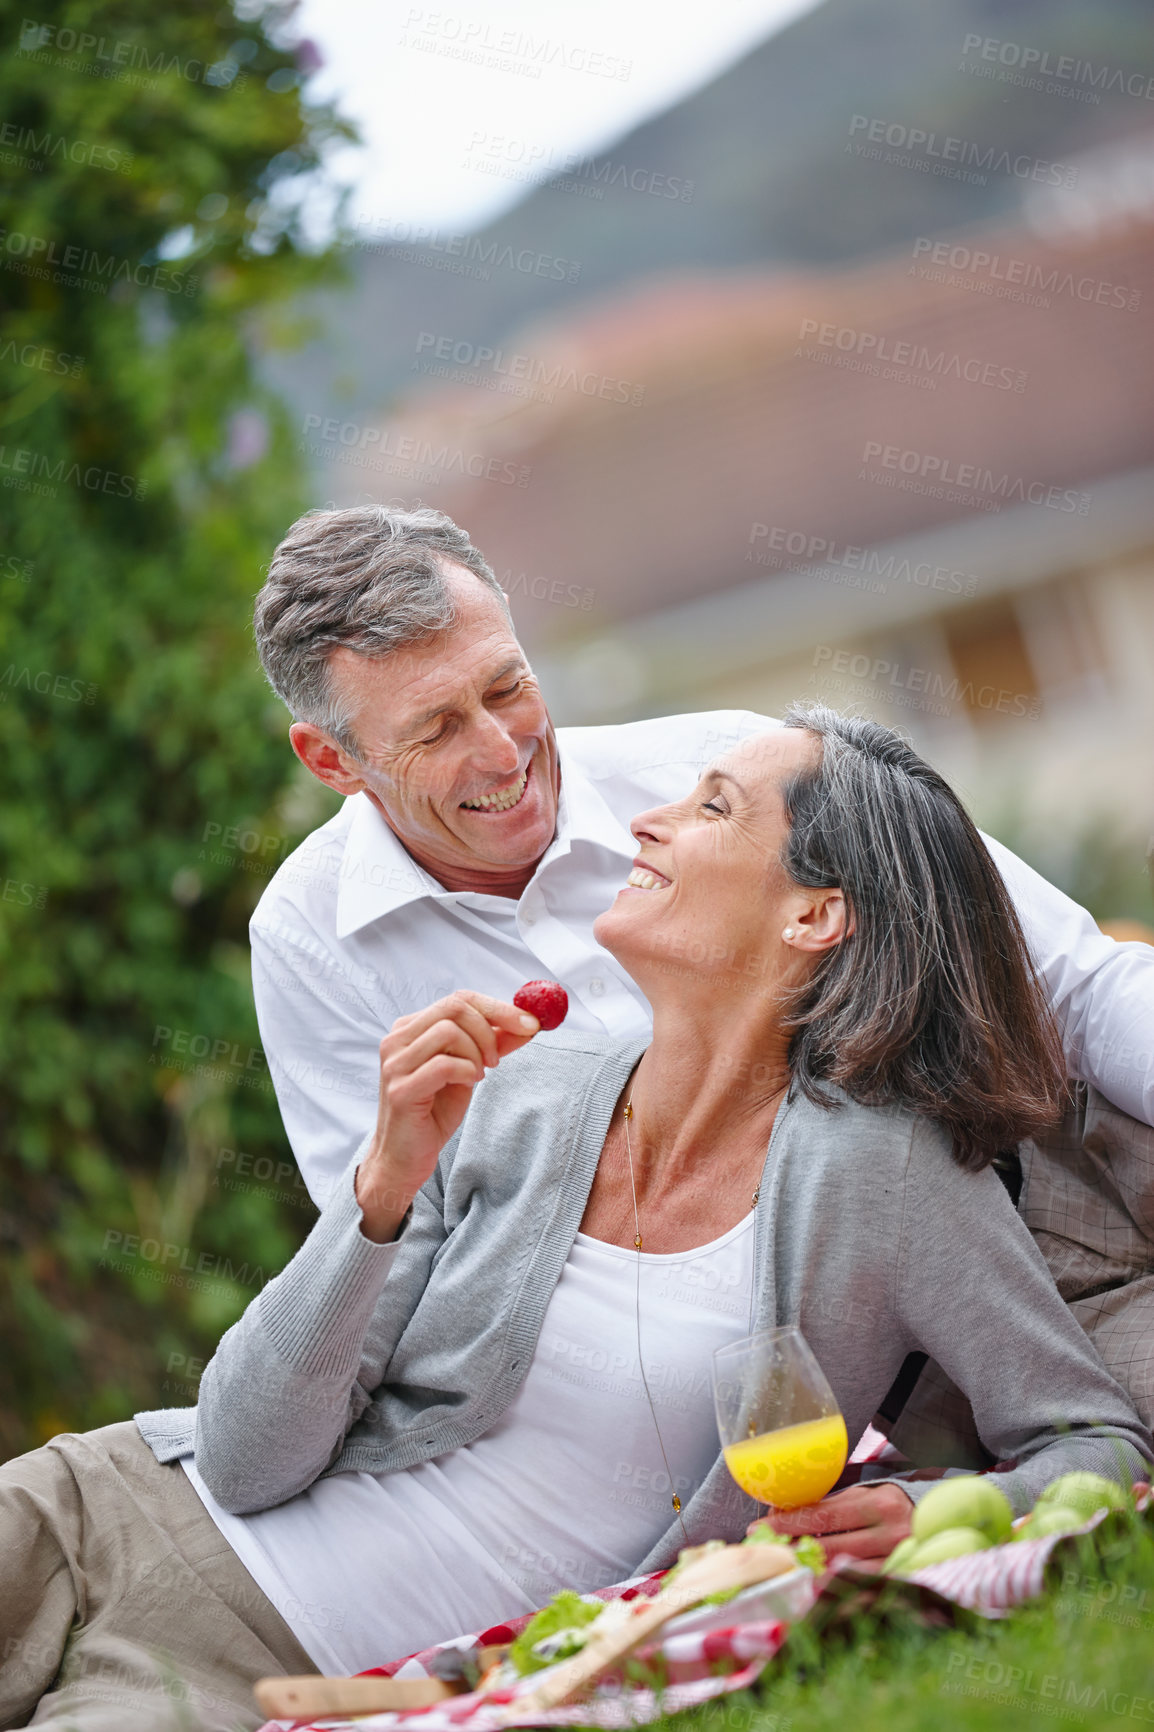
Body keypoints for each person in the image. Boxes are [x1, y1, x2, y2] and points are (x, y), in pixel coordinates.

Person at [5, 707, 1149, 1731]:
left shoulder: (884, 1172)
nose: (646, 820)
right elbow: (247, 1456)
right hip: (108, 1508)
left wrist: (931, 1502)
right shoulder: (525, 1093)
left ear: (813, 913)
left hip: (274, 1676)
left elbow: (1092, 1441)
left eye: (711, 807)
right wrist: (380, 1187)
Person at [249, 506, 1154, 1215]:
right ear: (332, 761)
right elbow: (378, 1259)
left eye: (507, 686)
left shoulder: (735, 768)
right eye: (436, 729)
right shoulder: (308, 940)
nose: (499, 752)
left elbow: (1075, 983)